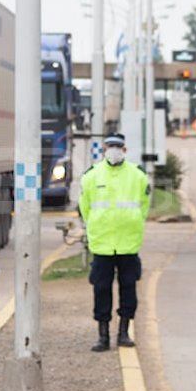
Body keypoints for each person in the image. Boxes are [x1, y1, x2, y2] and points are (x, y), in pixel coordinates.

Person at [78, 133, 151, 352]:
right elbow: (85, 207)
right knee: (101, 289)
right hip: (102, 244)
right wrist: (95, 228)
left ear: (125, 150)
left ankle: (123, 332)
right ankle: (103, 336)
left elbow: (144, 206)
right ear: (104, 149)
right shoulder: (91, 176)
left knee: (129, 288)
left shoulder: (138, 175)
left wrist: (133, 222)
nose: (114, 150)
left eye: (118, 146)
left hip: (128, 244)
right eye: (110, 146)